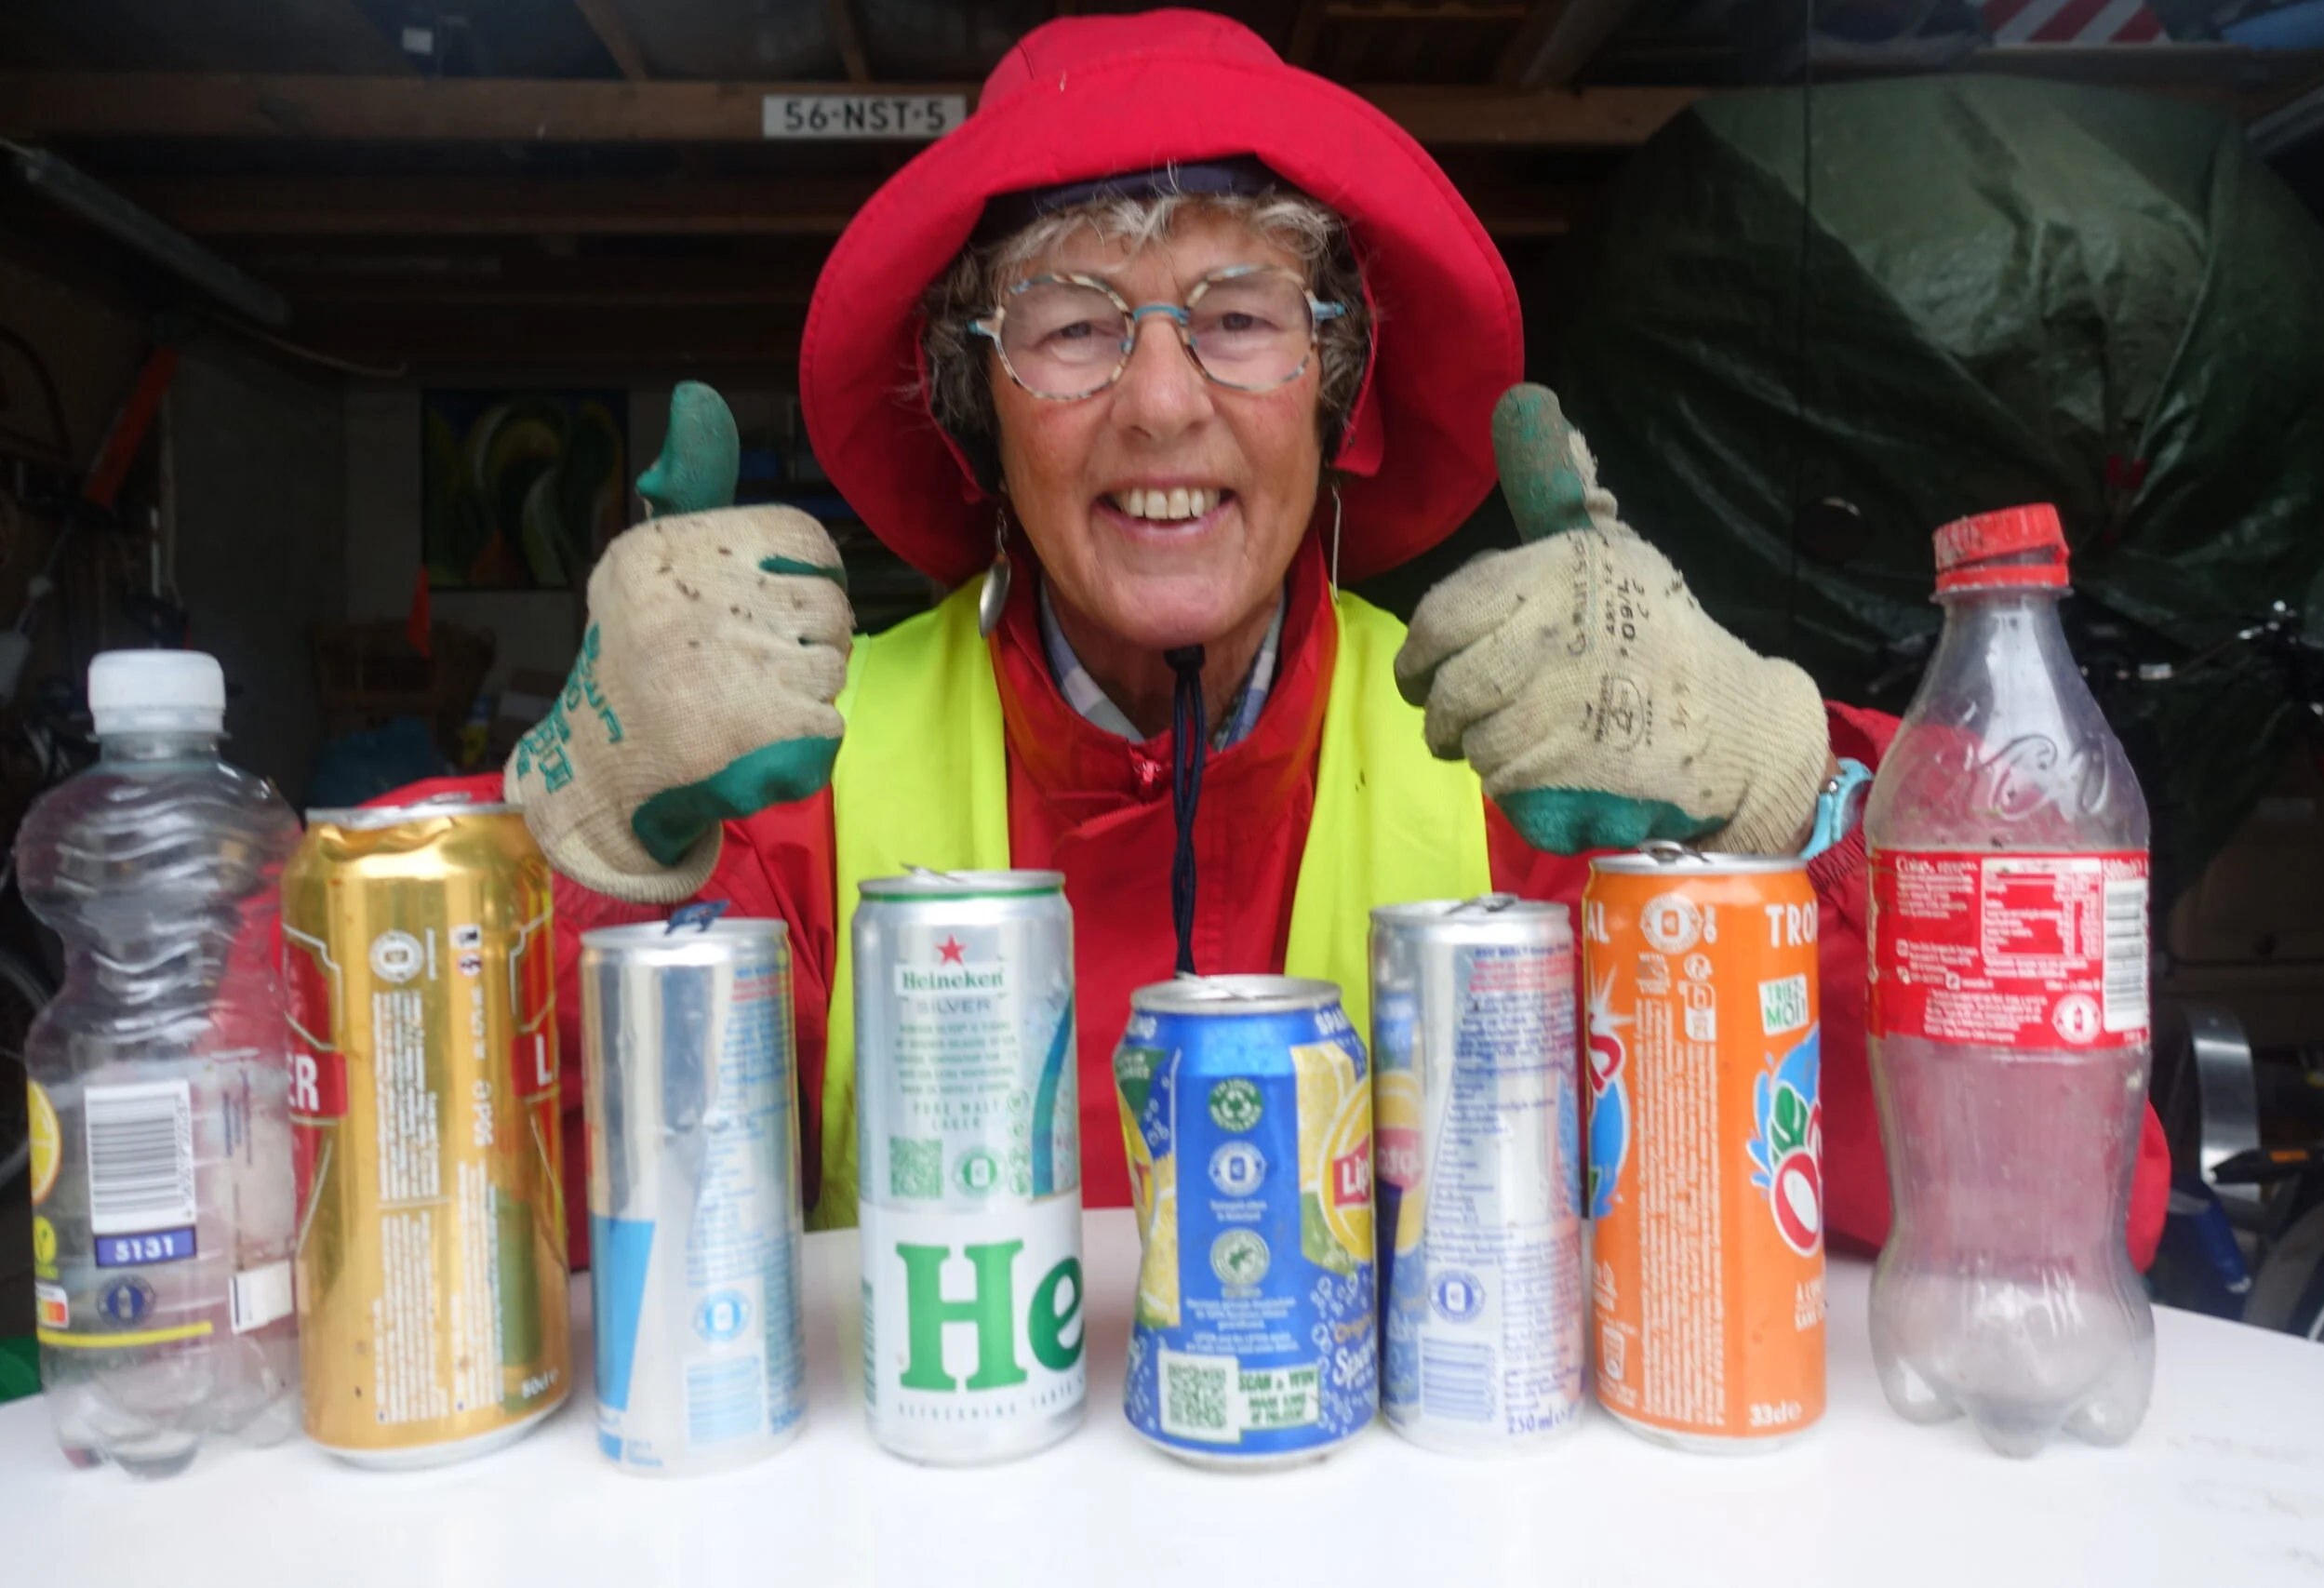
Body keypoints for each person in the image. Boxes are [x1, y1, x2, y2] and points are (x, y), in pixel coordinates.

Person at [407, 10, 2167, 1266]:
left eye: (1241, 315)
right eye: (1073, 321)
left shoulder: (1537, 760)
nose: (1163, 402)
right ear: (977, 403)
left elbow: (2067, 1203)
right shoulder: (781, 778)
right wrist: (583, 845)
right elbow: (411, 1175)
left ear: (1338, 389)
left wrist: (1794, 795)